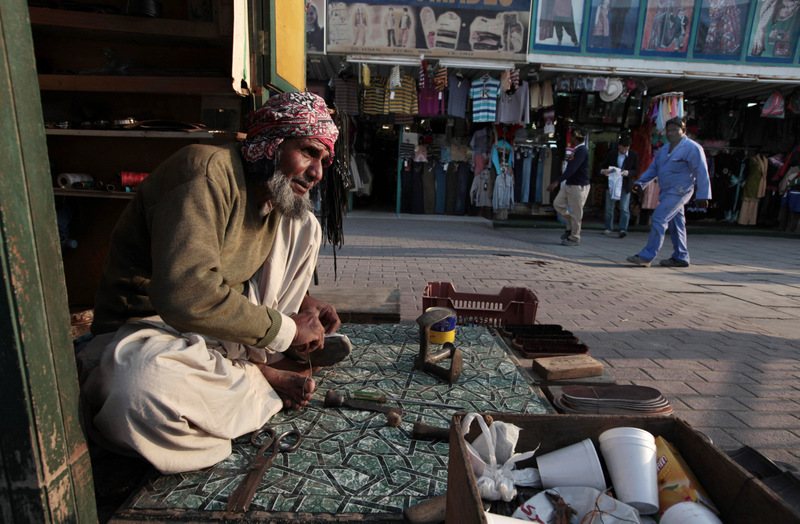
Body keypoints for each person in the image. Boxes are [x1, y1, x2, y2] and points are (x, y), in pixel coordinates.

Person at [78, 92, 347, 474]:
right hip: (146, 331)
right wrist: (285, 330)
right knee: (138, 393)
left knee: (306, 225)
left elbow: (243, 274)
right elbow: (185, 295)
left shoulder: (273, 197)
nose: (317, 172)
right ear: (271, 144)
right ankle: (261, 375)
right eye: (307, 152)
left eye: (324, 161)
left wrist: (305, 302)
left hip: (214, 336)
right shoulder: (205, 172)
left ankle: (254, 370)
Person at [627, 117, 711, 268]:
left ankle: (647, 255)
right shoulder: (664, 149)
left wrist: (703, 195)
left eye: (674, 130)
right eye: (668, 130)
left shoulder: (693, 148)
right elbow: (654, 168)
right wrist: (641, 183)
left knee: (659, 217)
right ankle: (681, 257)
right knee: (677, 224)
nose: (670, 133)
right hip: (666, 191)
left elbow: (702, 172)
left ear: (683, 131)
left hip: (680, 191)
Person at [547, 128, 590, 246]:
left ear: (575, 138)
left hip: (578, 186)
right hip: (569, 184)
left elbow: (572, 169)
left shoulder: (582, 151)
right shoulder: (576, 150)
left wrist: (556, 182)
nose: (570, 139)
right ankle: (571, 226)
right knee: (558, 204)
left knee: (576, 212)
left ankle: (574, 237)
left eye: (572, 137)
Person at [601, 135, 639, 238]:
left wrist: (627, 173)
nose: (623, 151)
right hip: (612, 183)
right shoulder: (612, 154)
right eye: (622, 148)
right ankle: (608, 227)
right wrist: (604, 171)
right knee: (609, 207)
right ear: (619, 146)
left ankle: (623, 229)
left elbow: (635, 170)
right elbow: (603, 166)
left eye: (626, 149)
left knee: (624, 208)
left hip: (625, 184)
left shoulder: (633, 155)